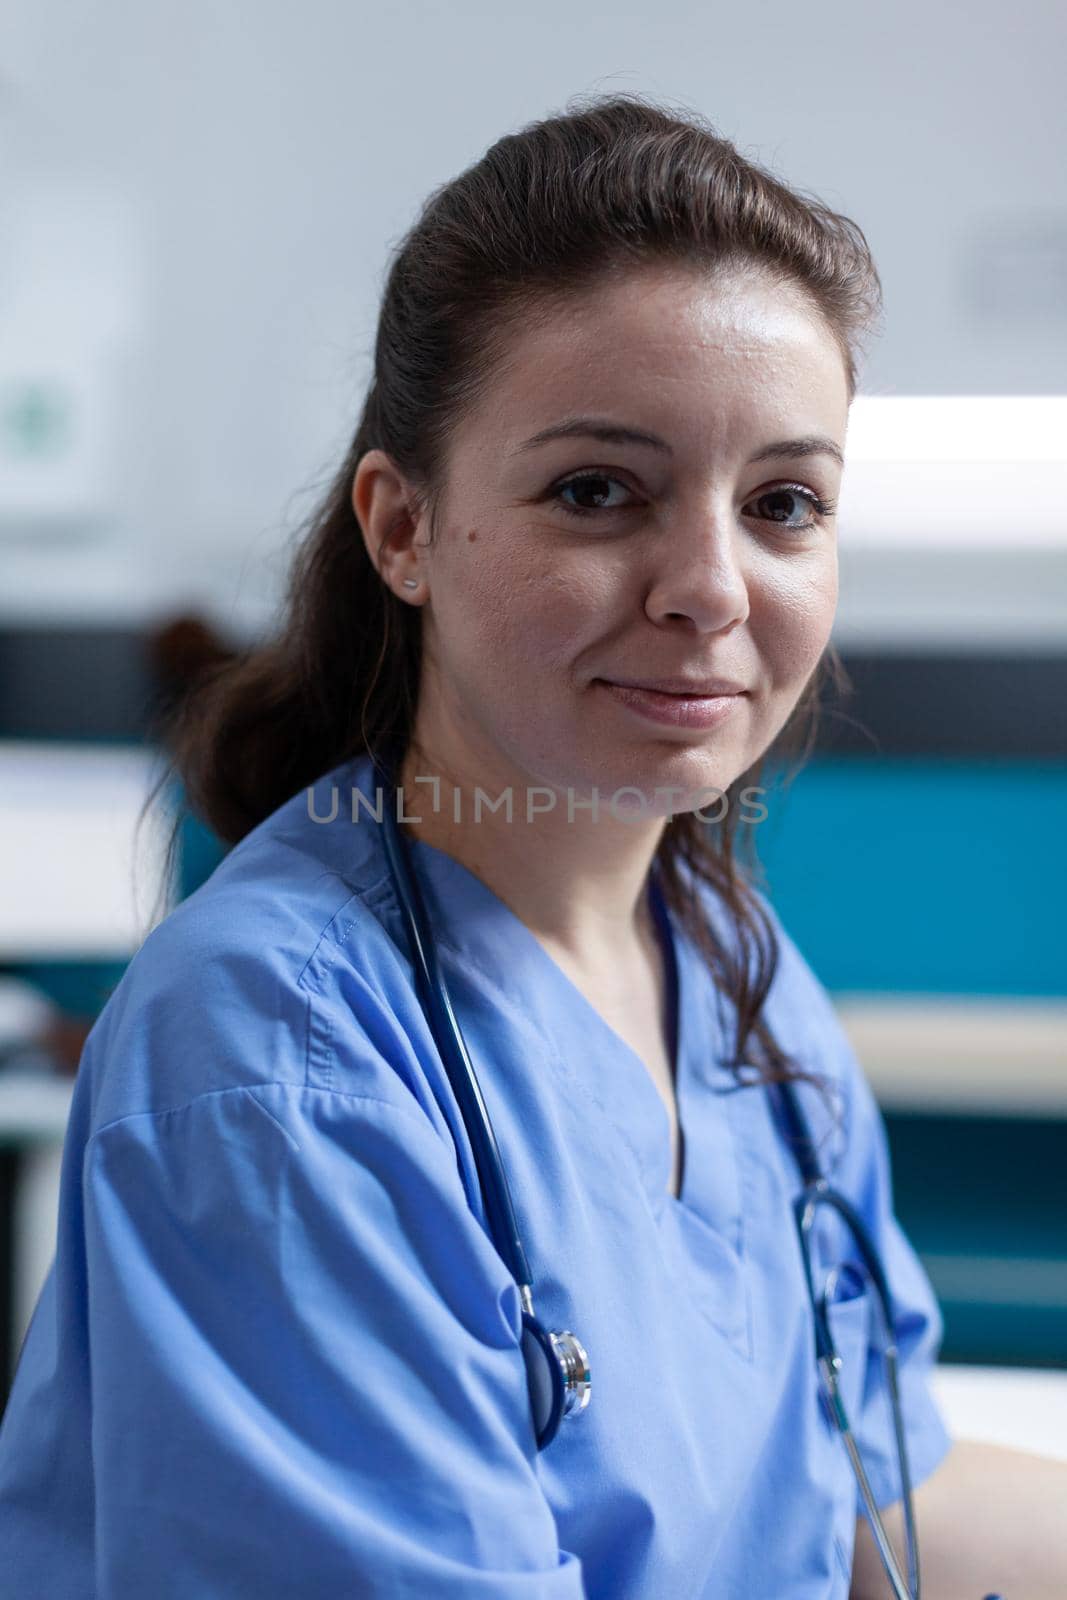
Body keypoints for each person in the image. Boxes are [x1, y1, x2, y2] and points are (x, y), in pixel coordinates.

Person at [0, 93, 1063, 1599]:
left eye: (783, 504)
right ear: (402, 529)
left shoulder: (733, 973)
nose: (711, 587)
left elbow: (869, 1505)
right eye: (597, 491)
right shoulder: (279, 1059)